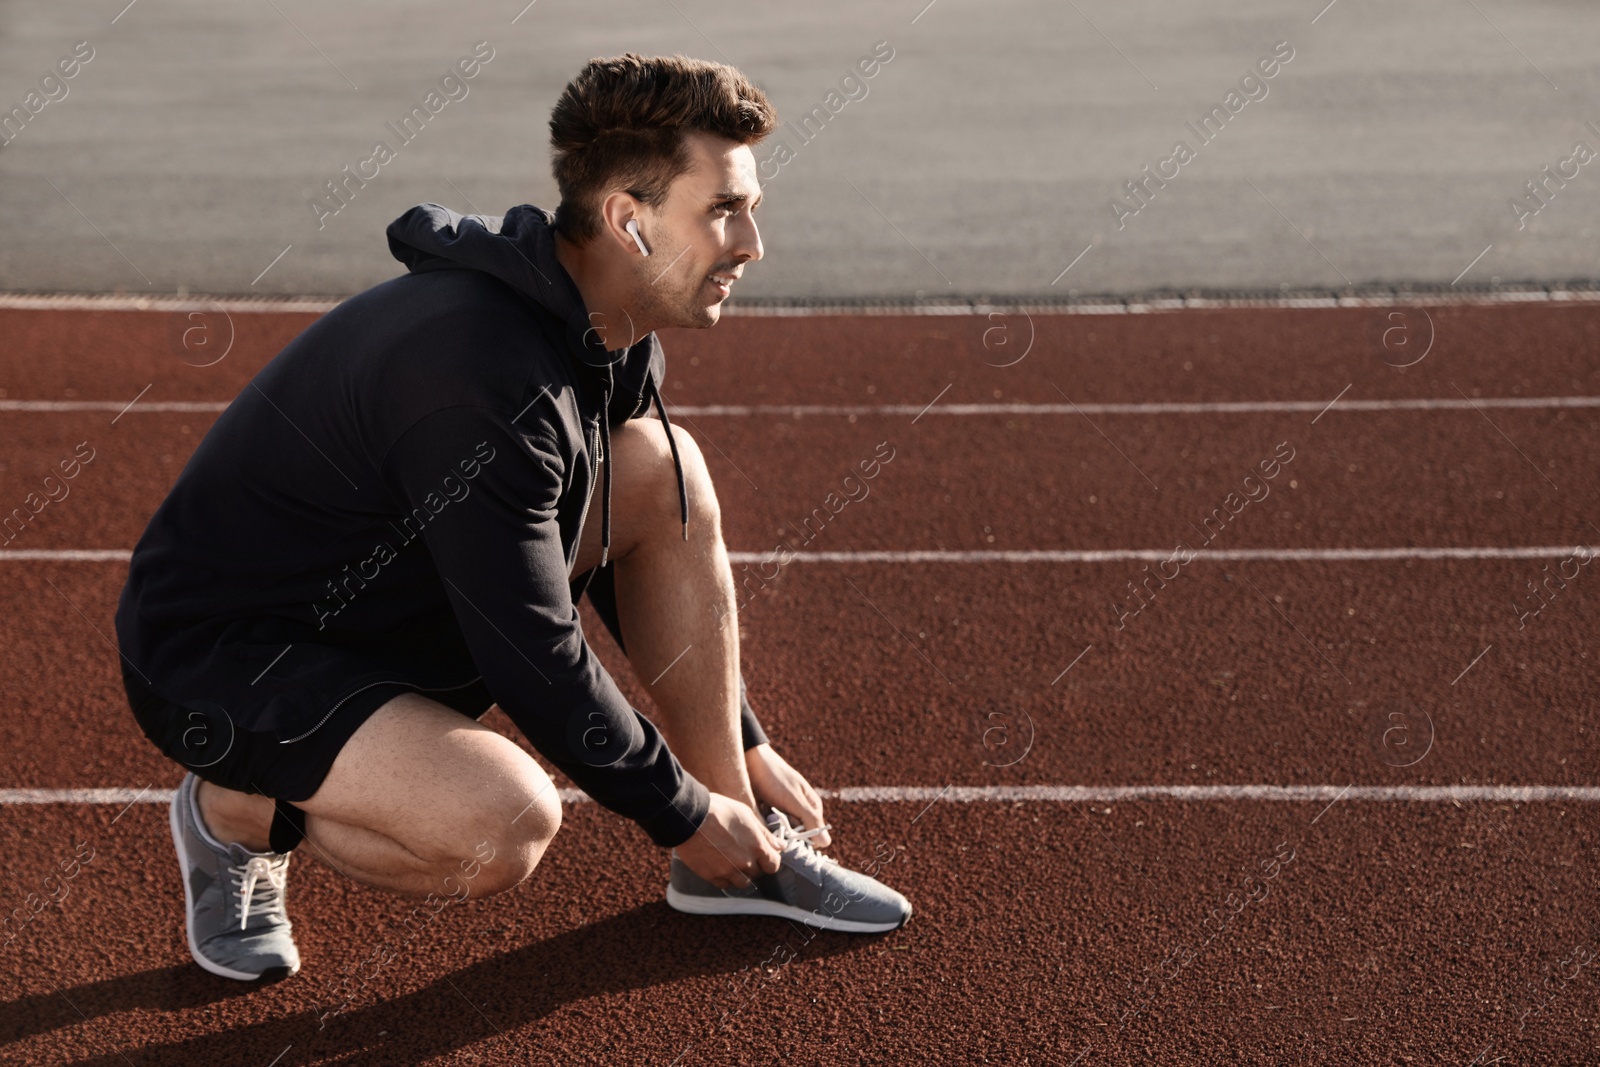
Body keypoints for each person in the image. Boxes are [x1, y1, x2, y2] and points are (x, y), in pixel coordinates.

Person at [113, 52, 911, 983]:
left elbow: (625, 536)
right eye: (725, 210)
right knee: (502, 824)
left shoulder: (600, 321)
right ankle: (234, 811)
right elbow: (529, 648)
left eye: (752, 209)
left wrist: (737, 750)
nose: (750, 244)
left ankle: (735, 873)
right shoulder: (480, 379)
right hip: (235, 653)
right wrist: (679, 810)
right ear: (628, 220)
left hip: (393, 598)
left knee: (661, 464)